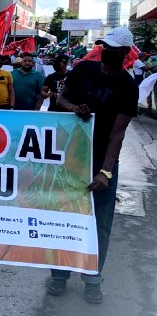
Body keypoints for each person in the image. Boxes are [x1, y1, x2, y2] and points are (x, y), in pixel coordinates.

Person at [47, 26, 139, 304]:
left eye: (112, 49)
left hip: (101, 160)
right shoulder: (84, 70)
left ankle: (92, 278)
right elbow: (60, 98)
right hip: (71, 154)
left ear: (125, 53)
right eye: (104, 47)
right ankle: (59, 274)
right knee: (64, 214)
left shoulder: (127, 86)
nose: (106, 52)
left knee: (100, 221)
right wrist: (73, 107)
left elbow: (117, 134)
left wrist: (106, 171)